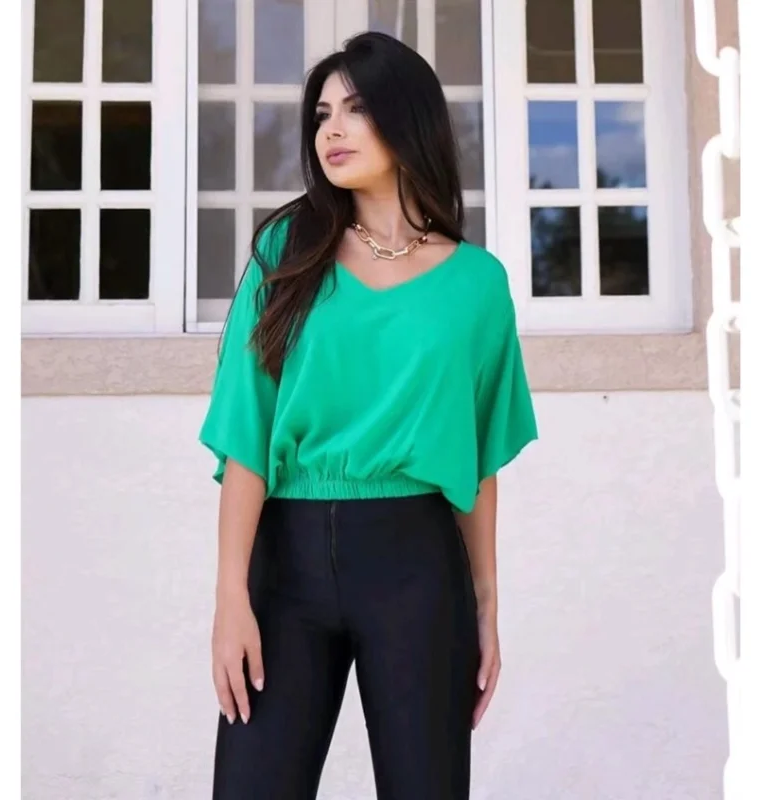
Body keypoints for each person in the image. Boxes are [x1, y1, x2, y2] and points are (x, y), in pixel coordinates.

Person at [199, 30, 538, 800]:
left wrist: (486, 604)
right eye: (322, 115)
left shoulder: (477, 284)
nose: (332, 130)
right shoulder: (287, 254)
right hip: (285, 564)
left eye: (355, 109)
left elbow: (476, 458)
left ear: (407, 118)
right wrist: (230, 597)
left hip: (417, 565)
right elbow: (247, 434)